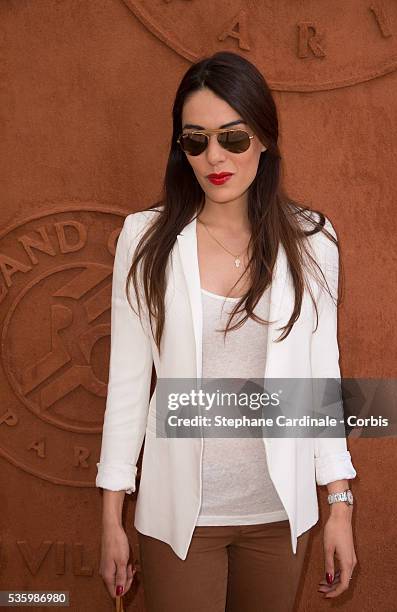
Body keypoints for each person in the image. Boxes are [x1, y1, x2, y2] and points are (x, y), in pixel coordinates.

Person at [96, 51, 358, 611]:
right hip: (180, 521)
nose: (214, 157)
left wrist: (339, 503)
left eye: (233, 139)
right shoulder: (144, 240)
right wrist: (111, 518)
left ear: (263, 138)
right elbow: (126, 387)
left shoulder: (312, 241)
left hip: (280, 516)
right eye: (195, 141)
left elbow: (320, 380)